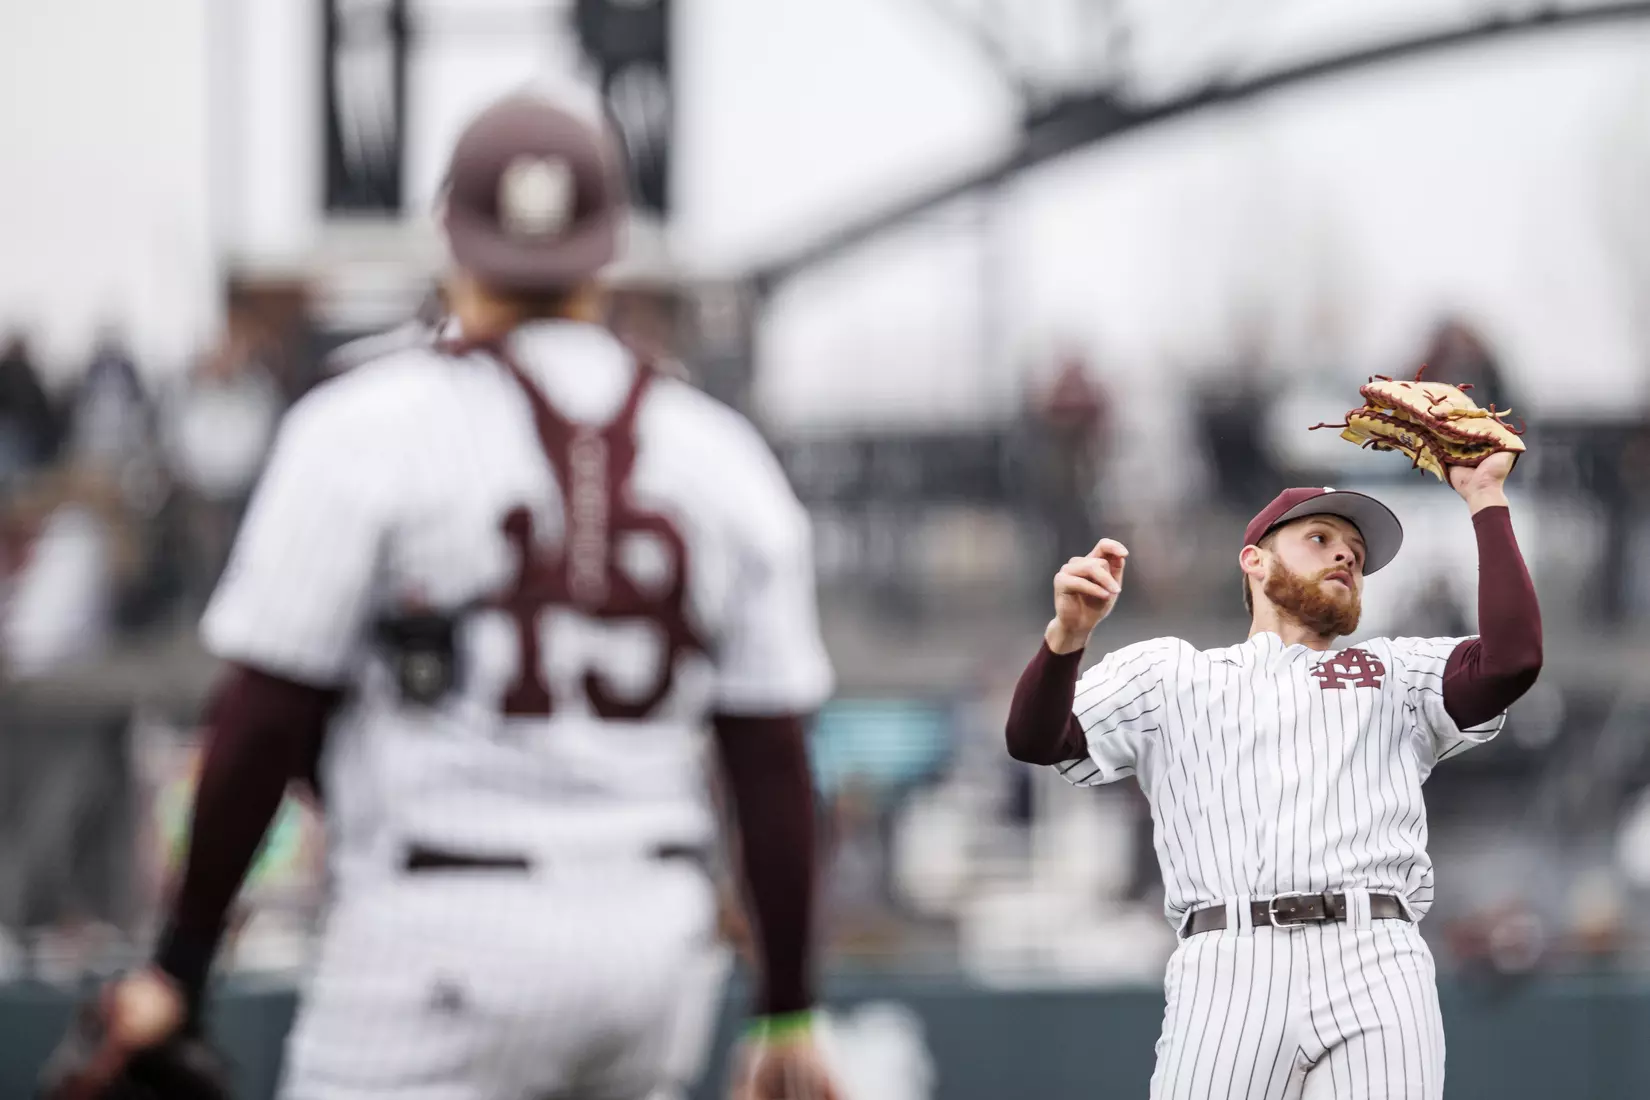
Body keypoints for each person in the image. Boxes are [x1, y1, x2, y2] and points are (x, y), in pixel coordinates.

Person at [61, 93, 841, 1100]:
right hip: (649, 949)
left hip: (434, 939)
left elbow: (261, 717)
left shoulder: (362, 422)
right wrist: (788, 1003)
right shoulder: (721, 453)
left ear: (449, 238)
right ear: (607, 251)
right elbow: (771, 755)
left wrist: (181, 962)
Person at [1005, 453, 1541, 1099]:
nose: (1345, 557)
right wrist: (1067, 636)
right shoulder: (1172, 673)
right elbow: (1035, 740)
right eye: (1320, 539)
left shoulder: (1393, 671)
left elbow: (1512, 662)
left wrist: (1485, 498)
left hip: (1374, 951)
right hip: (1228, 960)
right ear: (1253, 560)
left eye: (1355, 553)